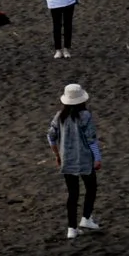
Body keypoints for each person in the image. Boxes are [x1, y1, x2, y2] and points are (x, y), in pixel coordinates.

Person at [45, 81, 102, 238]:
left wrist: (57, 155)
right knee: (91, 188)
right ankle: (86, 218)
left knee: (72, 194)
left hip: (67, 160)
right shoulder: (85, 116)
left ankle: (71, 228)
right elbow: (91, 139)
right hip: (84, 159)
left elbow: (50, 136)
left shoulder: (59, 116)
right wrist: (97, 158)